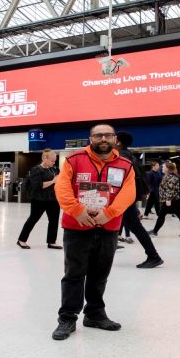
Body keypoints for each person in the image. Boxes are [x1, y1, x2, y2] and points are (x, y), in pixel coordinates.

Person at [52, 124, 135, 341]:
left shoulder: (125, 165)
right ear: (91, 139)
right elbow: (62, 189)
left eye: (108, 135)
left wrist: (109, 213)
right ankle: (68, 317)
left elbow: (128, 193)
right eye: (98, 135)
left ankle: (95, 313)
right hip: (77, 226)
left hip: (108, 227)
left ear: (115, 139)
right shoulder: (74, 160)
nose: (103, 138)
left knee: (100, 274)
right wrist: (77, 211)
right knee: (74, 274)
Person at [115, 132, 163, 268]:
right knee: (120, 223)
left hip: (123, 198)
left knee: (135, 226)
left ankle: (153, 256)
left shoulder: (122, 156)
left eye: (112, 138)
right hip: (128, 197)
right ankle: (109, 248)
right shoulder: (129, 155)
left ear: (118, 142)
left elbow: (119, 180)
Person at [17, 149, 62, 249]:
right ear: (45, 158)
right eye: (52, 160)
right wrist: (53, 181)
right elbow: (37, 186)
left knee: (54, 221)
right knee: (33, 219)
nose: (54, 163)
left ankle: (51, 241)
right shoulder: (36, 169)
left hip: (53, 199)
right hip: (39, 199)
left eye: (55, 161)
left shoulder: (54, 169)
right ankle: (21, 240)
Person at [150, 162, 180, 237]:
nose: (162, 168)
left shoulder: (171, 177)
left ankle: (154, 231)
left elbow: (171, 189)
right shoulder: (170, 176)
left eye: (163, 167)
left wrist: (168, 200)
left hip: (171, 201)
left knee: (162, 215)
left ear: (168, 168)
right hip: (175, 200)